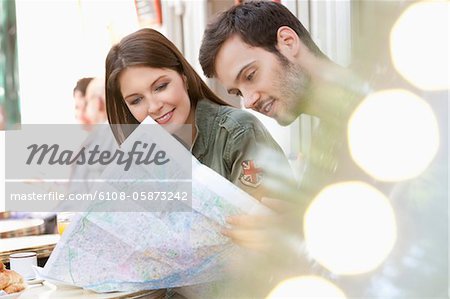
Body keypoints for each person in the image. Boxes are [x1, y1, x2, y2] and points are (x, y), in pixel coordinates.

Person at [199, 1, 448, 298]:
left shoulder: (385, 112)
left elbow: (422, 243)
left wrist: (296, 239)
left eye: (250, 76)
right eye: (238, 92)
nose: (249, 101)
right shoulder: (324, 139)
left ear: (288, 42)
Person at [105, 28, 294, 201]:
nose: (153, 107)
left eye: (161, 87)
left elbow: (262, 224)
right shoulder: (141, 158)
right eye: (136, 100)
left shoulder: (238, 132)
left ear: (183, 77)